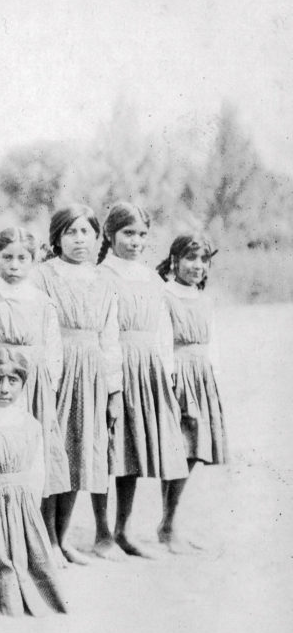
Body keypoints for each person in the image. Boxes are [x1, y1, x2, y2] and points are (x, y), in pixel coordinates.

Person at [96, 204, 189, 558]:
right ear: (110, 235)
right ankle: (102, 533)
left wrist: (166, 374)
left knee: (131, 454)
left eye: (141, 235)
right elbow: (105, 333)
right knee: (107, 450)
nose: (135, 241)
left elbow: (162, 331)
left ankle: (123, 530)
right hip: (116, 365)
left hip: (147, 369)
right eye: (127, 234)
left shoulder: (152, 278)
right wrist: (111, 384)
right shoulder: (102, 275)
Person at [31, 204, 122, 564]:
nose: (79, 239)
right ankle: (47, 541)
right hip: (55, 370)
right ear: (57, 238)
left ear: (98, 237)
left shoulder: (104, 280)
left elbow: (111, 338)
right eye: (70, 232)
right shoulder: (43, 276)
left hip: (92, 372)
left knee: (79, 452)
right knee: (53, 453)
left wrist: (114, 390)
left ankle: (63, 538)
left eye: (86, 231)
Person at [0, 348, 67, 616]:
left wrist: (29, 511)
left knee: (31, 564)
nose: (4, 388)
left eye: (12, 381)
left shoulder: (30, 424)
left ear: (23, 384)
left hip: (21, 510)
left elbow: (36, 473)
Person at [0, 227, 72, 565]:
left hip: (33, 385)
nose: (14, 265)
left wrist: (48, 387)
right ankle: (1, 537)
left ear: (34, 261)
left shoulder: (42, 300)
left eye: (23, 258)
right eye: (7, 257)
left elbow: (53, 350)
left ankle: (46, 539)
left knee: (40, 456)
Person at [157, 234, 228, 553]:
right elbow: (161, 340)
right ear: (174, 261)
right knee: (179, 450)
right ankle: (167, 526)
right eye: (190, 259)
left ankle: (170, 523)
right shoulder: (165, 294)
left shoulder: (204, 298)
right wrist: (170, 378)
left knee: (196, 449)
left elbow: (211, 343)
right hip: (177, 374)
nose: (197, 266)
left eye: (203, 260)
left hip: (201, 377)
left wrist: (212, 376)